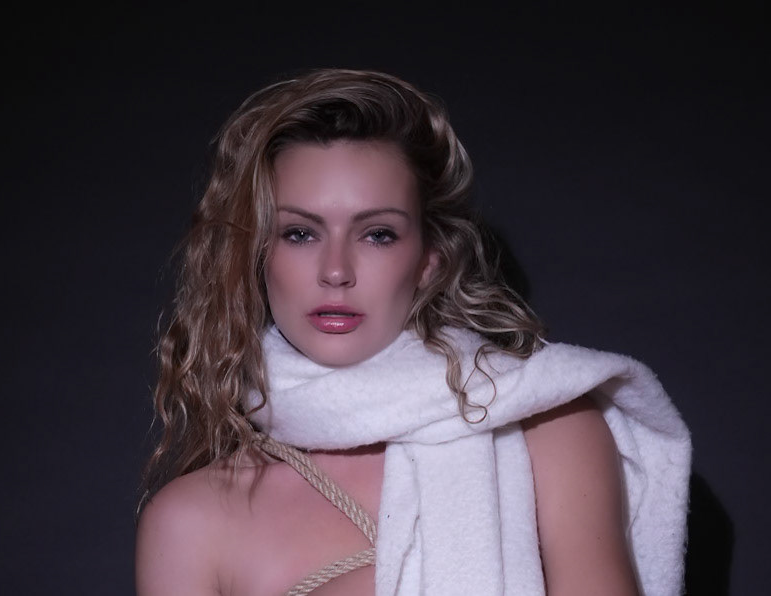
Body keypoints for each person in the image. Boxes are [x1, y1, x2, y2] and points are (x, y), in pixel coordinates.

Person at [135, 69, 691, 596]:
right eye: (300, 234)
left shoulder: (549, 428)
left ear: (429, 259)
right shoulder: (190, 522)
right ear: (258, 254)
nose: (336, 271)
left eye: (377, 234)